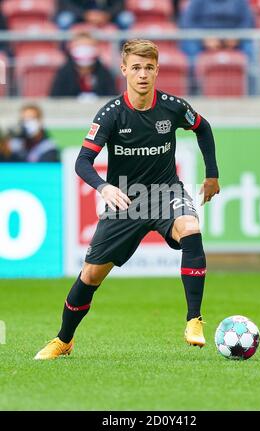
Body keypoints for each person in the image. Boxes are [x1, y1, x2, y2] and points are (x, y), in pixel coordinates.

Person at [34, 39, 220, 360]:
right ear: (124, 71)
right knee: (90, 276)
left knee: (190, 226)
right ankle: (64, 340)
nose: (143, 74)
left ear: (157, 70)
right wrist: (104, 187)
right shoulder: (111, 114)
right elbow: (82, 162)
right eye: (136, 68)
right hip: (125, 203)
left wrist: (212, 175)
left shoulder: (174, 107)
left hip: (166, 193)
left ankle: (194, 320)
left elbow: (203, 128)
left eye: (149, 68)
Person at [50, 32, 117, 97]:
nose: (84, 50)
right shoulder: (63, 74)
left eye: (88, 46)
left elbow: (112, 97)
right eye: (80, 46)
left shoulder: (104, 74)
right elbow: (55, 99)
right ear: (71, 49)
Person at [55, 0, 134, 30]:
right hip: (80, 14)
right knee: (64, 19)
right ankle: (63, 50)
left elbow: (120, 4)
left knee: (126, 18)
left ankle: (123, 48)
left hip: (108, 14)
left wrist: (107, 15)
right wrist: (84, 15)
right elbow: (65, 4)